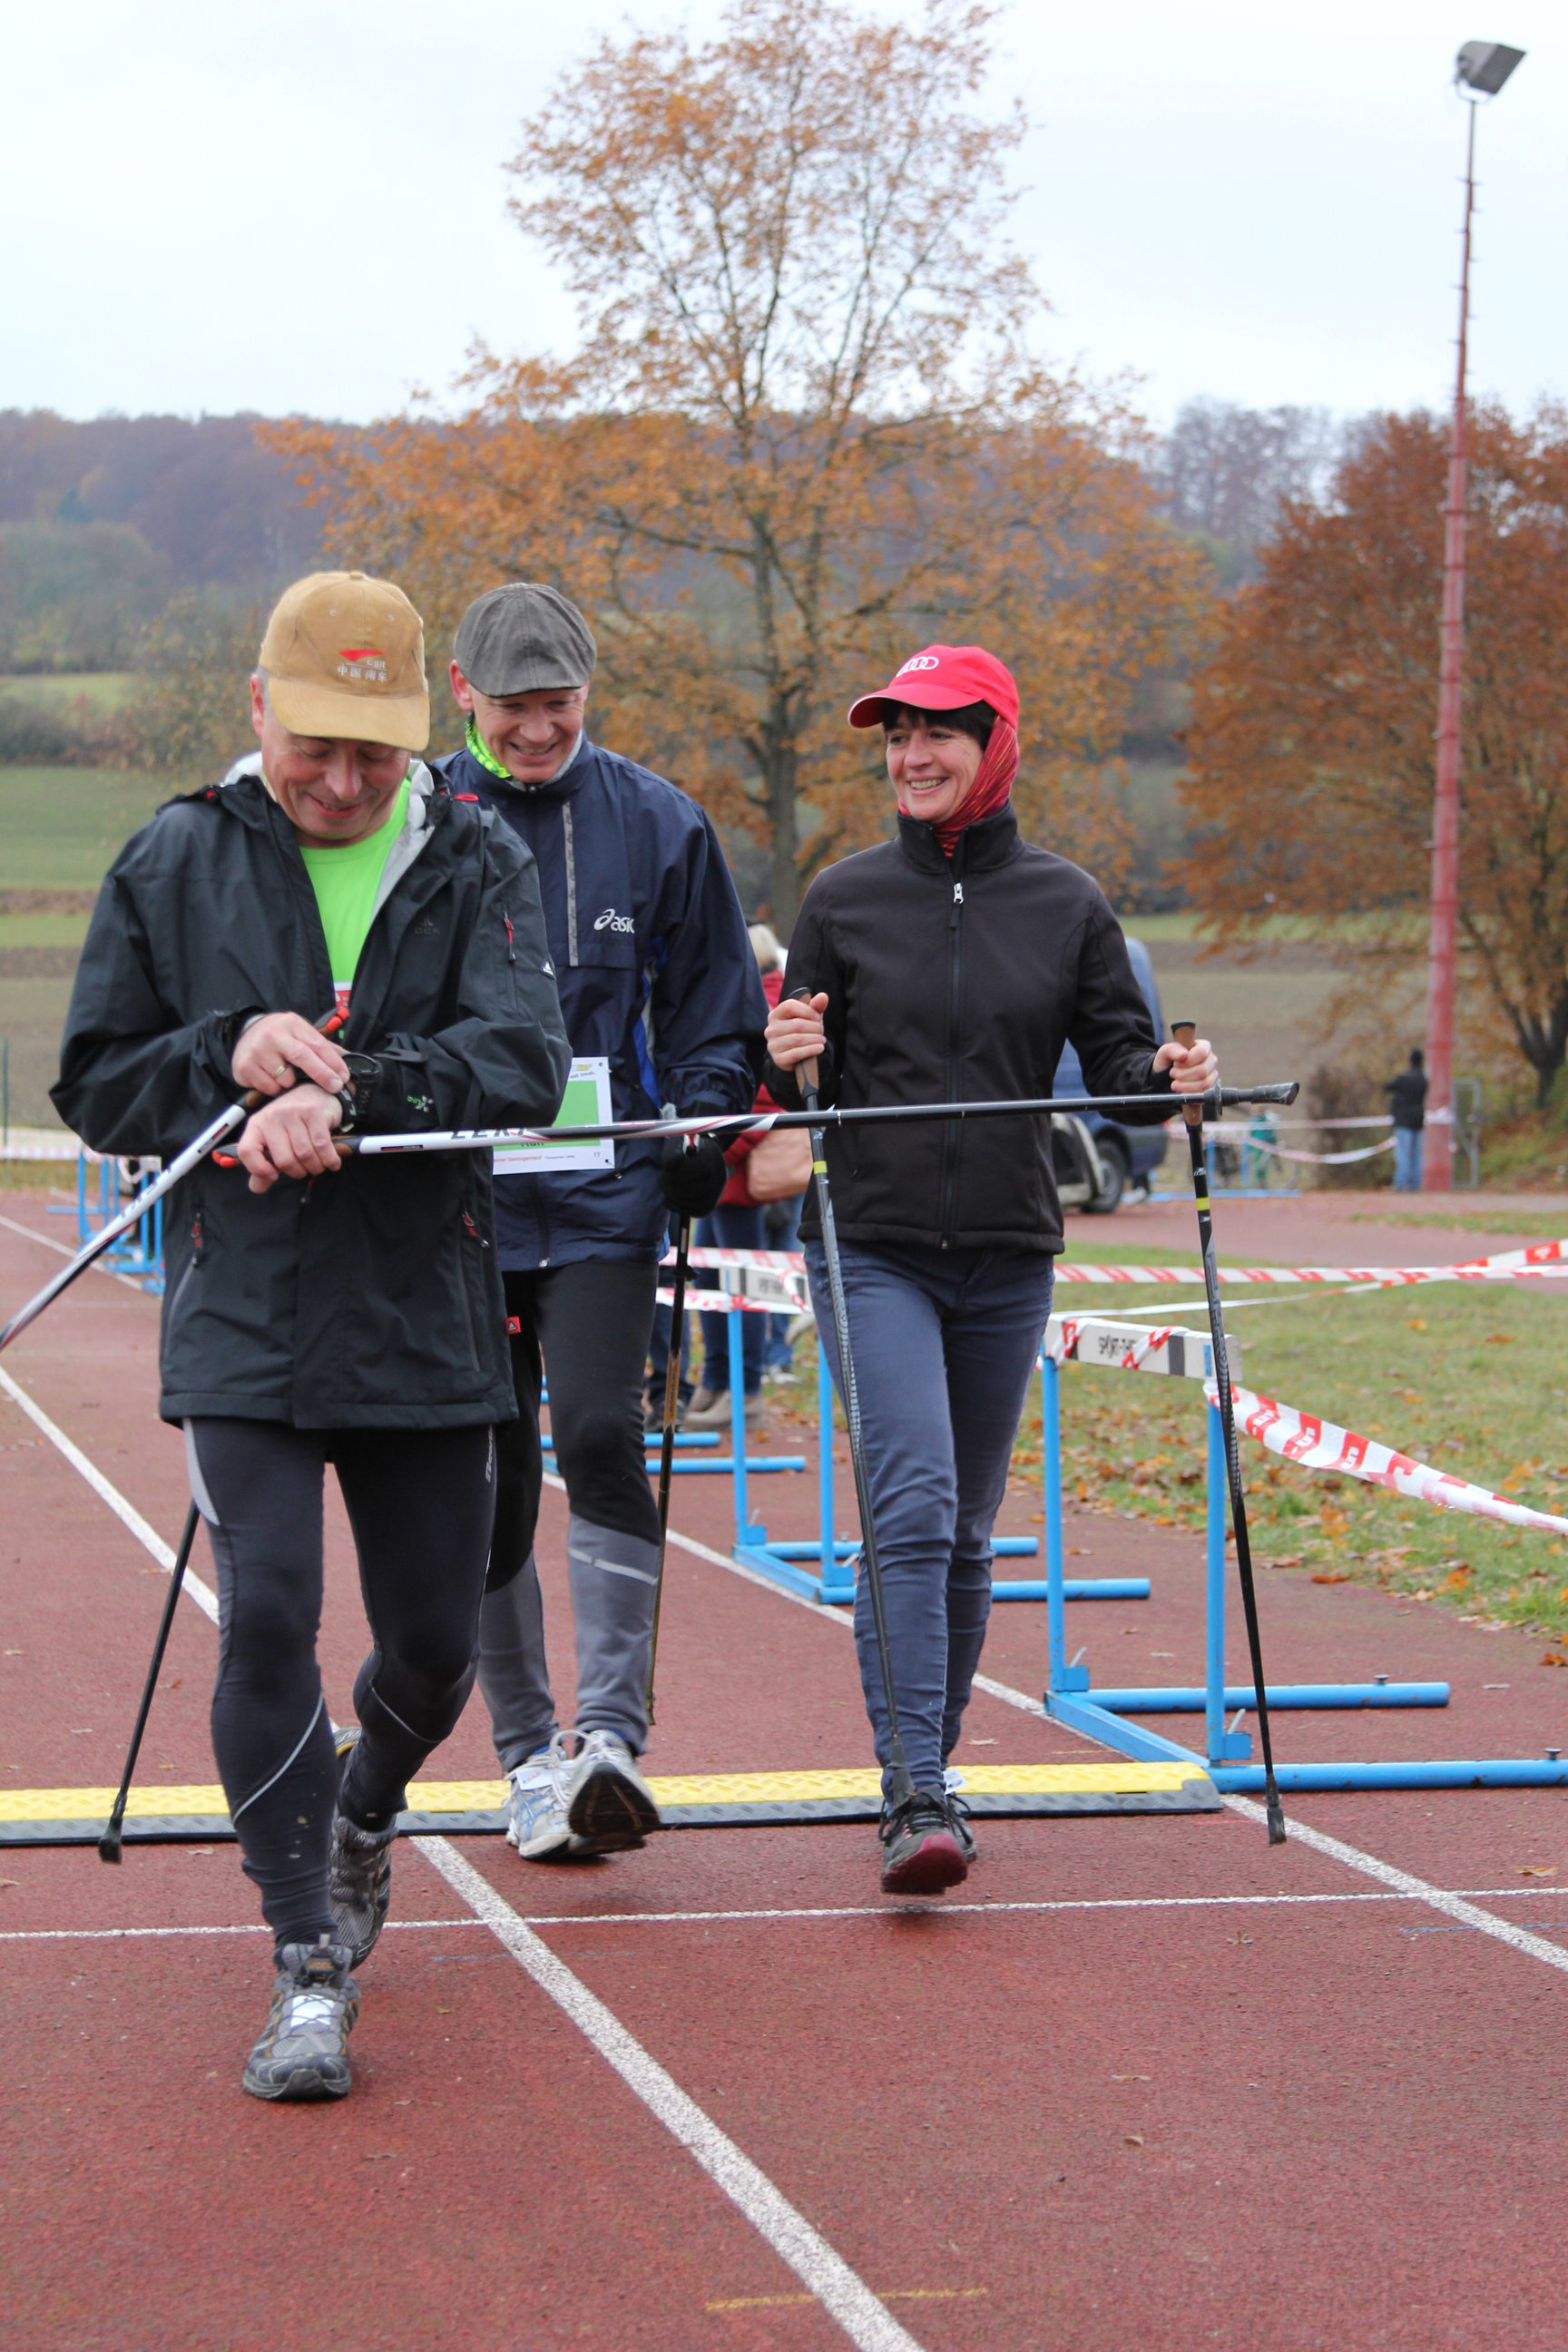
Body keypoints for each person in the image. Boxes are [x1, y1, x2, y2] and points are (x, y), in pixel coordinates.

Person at [54, 571, 571, 2101]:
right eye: (315, 748)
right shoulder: (174, 854)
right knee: (269, 1611)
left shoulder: (473, 852)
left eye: (374, 753)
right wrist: (228, 1055)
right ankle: (304, 1961)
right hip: (249, 1312)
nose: (343, 783)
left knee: (434, 1642)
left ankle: (362, 1811)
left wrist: (350, 1091)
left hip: (426, 1307)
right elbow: (98, 1079)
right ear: (258, 708)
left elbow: (522, 1061)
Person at [764, 642, 1218, 1897]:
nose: (911, 756)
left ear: (994, 744)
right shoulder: (842, 900)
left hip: (1009, 1254)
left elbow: (1122, 1079)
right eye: (896, 737)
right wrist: (782, 1048)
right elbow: (790, 1082)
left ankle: (931, 1772)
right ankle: (914, 1788)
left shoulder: (1067, 903)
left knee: (965, 1530)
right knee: (910, 1507)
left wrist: (1172, 1079)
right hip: (874, 1248)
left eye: (937, 734)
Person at [436, 583, 766, 1862]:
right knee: (487, 1468)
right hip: (458, 1198)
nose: (536, 731)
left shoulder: (657, 819)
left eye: (559, 706)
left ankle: (612, 1735)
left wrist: (701, 1123)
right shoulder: (417, 814)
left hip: (603, 1193)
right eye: (512, 708)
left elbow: (715, 1006)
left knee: (600, 1430)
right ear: (463, 694)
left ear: (589, 693)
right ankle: (527, 1757)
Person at [683, 923, 800, 1430]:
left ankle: (745, 1389)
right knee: (710, 1278)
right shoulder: (753, 1000)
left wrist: (722, 1150)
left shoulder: (766, 1006)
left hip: (742, 1174)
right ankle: (717, 1381)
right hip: (729, 1170)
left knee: (744, 1285)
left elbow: (767, 1100)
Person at [1387, 1048, 1427, 1190]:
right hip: (1418, 1120)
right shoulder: (1423, 1079)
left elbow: (1388, 1087)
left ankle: (1401, 1183)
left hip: (1404, 1121)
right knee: (1417, 1154)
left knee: (1403, 1153)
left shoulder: (1404, 1078)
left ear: (1409, 1061)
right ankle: (1415, 1184)